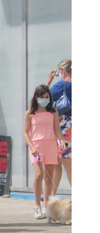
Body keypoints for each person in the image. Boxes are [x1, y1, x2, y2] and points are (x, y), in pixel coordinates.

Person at [23, 84, 64, 219]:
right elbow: (25, 133)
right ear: (36, 98)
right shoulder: (30, 113)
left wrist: (61, 141)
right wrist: (32, 147)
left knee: (48, 177)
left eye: (47, 97)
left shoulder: (53, 112)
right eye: (42, 97)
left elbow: (57, 129)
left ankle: (46, 206)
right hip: (36, 147)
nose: (44, 99)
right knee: (39, 174)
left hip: (51, 145)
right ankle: (37, 205)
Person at [47, 58, 72, 188]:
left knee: (66, 163)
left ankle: (51, 197)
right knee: (59, 162)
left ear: (62, 71)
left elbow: (41, 98)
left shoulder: (63, 84)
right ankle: (51, 196)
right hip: (70, 125)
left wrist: (49, 81)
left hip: (64, 126)